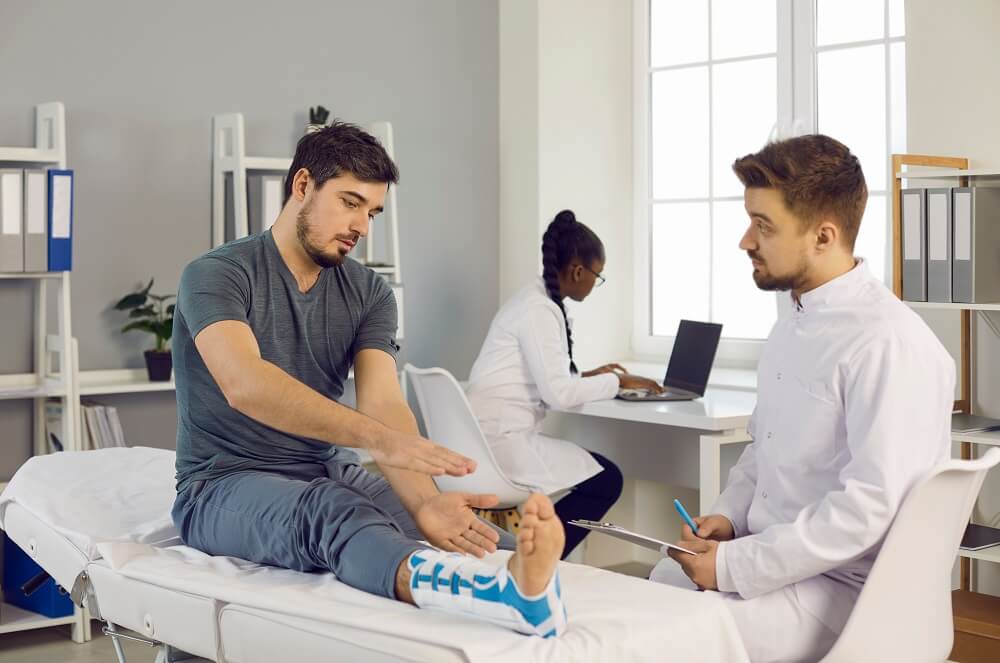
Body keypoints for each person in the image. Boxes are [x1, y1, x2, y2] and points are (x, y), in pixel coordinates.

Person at [171, 121, 567, 637]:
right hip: (220, 485)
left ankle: (520, 581)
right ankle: (495, 599)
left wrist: (425, 503)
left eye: (372, 212)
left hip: (325, 470)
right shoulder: (217, 274)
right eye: (350, 202)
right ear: (302, 186)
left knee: (475, 536)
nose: (361, 225)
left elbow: (381, 400)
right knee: (336, 512)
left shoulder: (371, 292)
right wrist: (382, 442)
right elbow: (245, 383)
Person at [651, 135, 954, 662]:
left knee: (669, 634)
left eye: (764, 225)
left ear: (824, 235)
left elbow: (866, 510)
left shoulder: (890, 343)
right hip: (777, 565)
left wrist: (732, 567)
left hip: (842, 590)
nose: (746, 240)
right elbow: (762, 449)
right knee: (648, 590)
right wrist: (727, 517)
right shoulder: (795, 325)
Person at [466, 210, 662, 559]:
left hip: (487, 439)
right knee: (607, 481)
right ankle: (537, 558)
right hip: (502, 444)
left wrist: (586, 377)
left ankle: (532, 556)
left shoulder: (534, 301)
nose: (595, 283)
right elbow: (558, 395)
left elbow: (547, 380)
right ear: (577, 271)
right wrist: (616, 382)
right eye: (597, 276)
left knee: (598, 476)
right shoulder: (538, 309)